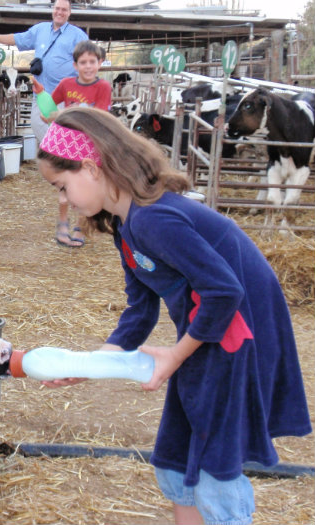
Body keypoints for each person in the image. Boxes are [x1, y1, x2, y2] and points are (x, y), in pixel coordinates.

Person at [36, 107, 312, 525]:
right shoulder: (126, 226)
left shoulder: (154, 219)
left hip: (238, 332)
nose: (63, 200)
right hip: (206, 333)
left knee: (215, 463)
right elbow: (139, 310)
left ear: (91, 168)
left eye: (61, 186)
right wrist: (91, 365)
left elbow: (225, 291)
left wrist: (177, 355)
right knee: (176, 455)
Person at [0, 0, 87, 143]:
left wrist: (80, 94)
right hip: (41, 94)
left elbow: (87, 63)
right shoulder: (40, 29)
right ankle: (56, 153)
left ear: (69, 13)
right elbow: (16, 38)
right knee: (37, 124)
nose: (60, 12)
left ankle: (60, 157)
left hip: (65, 95)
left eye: (64, 10)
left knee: (64, 128)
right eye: (57, 8)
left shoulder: (78, 35)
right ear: (53, 9)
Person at [46, 40, 112, 247]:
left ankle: (81, 225)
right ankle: (63, 221)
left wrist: (67, 113)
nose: (88, 66)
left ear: (100, 63)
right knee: (65, 189)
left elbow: (99, 115)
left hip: (91, 145)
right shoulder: (66, 84)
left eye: (92, 61)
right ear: (75, 65)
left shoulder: (103, 86)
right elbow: (50, 105)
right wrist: (47, 111)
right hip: (68, 145)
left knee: (85, 189)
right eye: (83, 62)